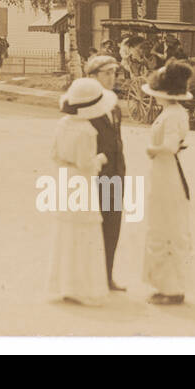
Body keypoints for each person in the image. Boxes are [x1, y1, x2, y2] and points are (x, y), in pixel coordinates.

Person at [46, 77, 113, 306]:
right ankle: (83, 287)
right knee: (84, 234)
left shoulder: (62, 124)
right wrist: (100, 159)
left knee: (66, 232)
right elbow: (86, 163)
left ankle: (65, 285)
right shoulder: (87, 130)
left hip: (65, 180)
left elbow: (54, 154)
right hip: (82, 181)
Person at [141, 61, 194, 305]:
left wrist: (153, 149)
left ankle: (172, 288)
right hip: (164, 171)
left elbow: (170, 146)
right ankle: (164, 284)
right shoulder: (172, 113)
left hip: (167, 171)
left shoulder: (173, 115)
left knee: (168, 226)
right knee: (162, 224)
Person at [84, 53, 126, 291]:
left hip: (116, 175)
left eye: (114, 73)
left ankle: (107, 276)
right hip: (95, 175)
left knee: (113, 225)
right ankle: (91, 277)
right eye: (106, 73)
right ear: (92, 77)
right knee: (93, 227)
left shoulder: (114, 105)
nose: (112, 78)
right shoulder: (86, 107)